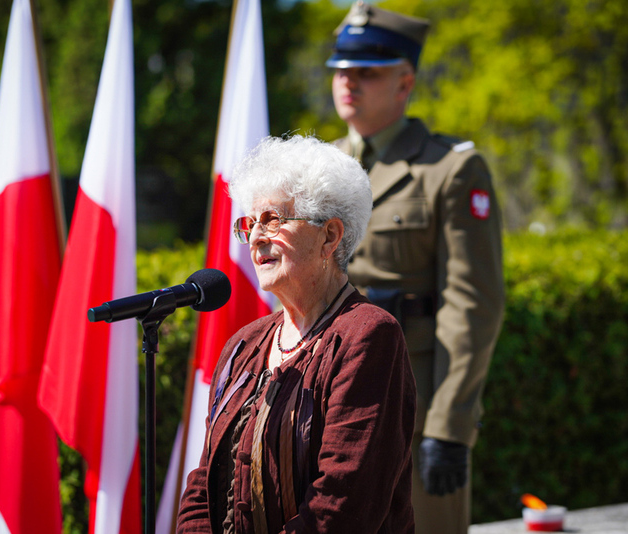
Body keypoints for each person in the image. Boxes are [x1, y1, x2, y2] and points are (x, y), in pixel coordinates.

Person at [324, 3, 506, 534]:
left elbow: (472, 305)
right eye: (341, 70)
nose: (348, 83)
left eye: (367, 72)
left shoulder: (450, 168)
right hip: (330, 386)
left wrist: (449, 428)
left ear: (405, 83)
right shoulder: (322, 168)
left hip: (414, 396)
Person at [176, 135, 416, 533]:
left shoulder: (368, 337)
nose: (255, 237)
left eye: (273, 220)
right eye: (249, 224)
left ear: (329, 236)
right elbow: (203, 484)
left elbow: (342, 505)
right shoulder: (243, 346)